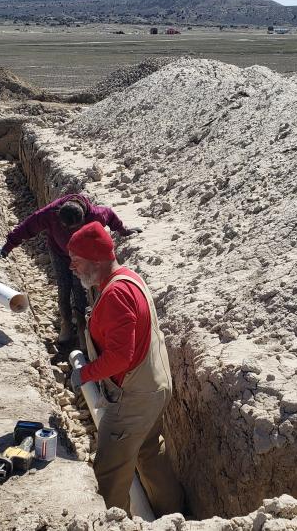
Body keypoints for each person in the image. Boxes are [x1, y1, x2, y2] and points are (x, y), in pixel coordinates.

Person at [66, 221, 185, 517]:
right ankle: (172, 517)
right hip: (155, 386)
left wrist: (85, 373)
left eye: (77, 262)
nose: (73, 268)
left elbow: (120, 357)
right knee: (149, 452)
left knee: (110, 472)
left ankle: (118, 522)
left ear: (96, 260)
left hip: (134, 399)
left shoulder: (115, 295)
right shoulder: (129, 278)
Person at [0, 194, 140, 344]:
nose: (71, 233)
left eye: (74, 229)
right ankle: (66, 322)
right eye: (65, 228)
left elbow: (111, 216)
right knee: (64, 287)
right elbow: (27, 227)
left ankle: (82, 327)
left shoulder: (96, 214)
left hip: (82, 256)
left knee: (80, 289)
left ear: (83, 218)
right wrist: (6, 248)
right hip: (59, 252)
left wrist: (124, 231)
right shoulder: (50, 213)